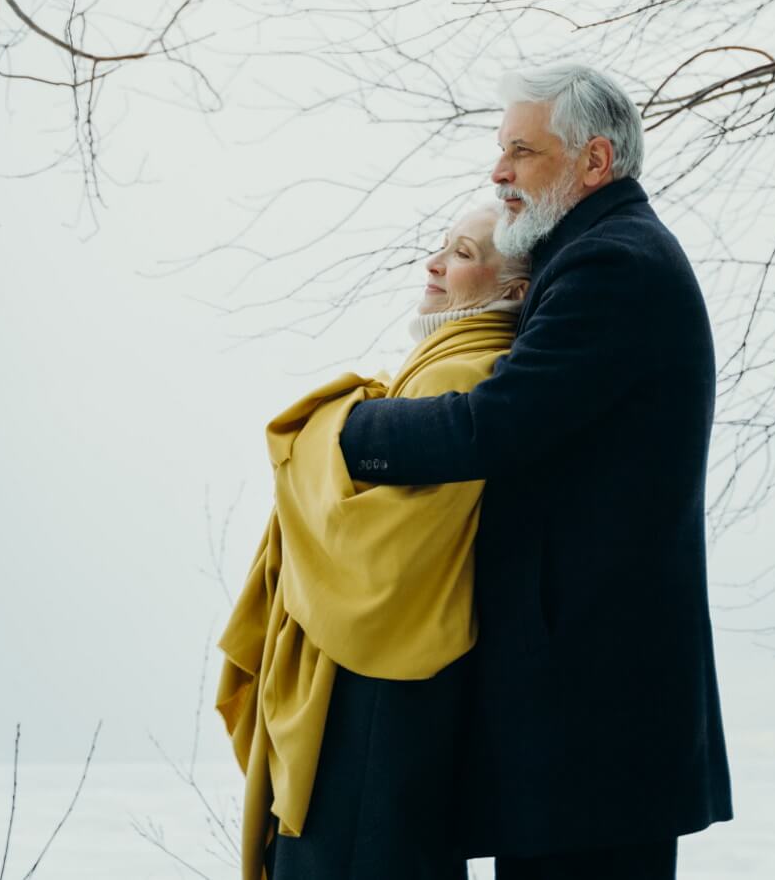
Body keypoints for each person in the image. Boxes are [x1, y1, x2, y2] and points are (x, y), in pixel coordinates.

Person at [338, 63, 734, 879]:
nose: (498, 172)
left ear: (594, 162)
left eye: (521, 151)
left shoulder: (612, 267)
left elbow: (495, 425)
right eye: (499, 151)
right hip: (586, 720)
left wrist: (347, 431)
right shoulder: (594, 256)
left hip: (593, 720)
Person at [215, 204, 530, 880]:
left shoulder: (465, 374)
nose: (435, 264)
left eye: (464, 253)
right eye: (440, 247)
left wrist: (323, 434)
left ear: (515, 291)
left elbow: (373, 549)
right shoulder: (449, 367)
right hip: (390, 688)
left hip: (377, 691)